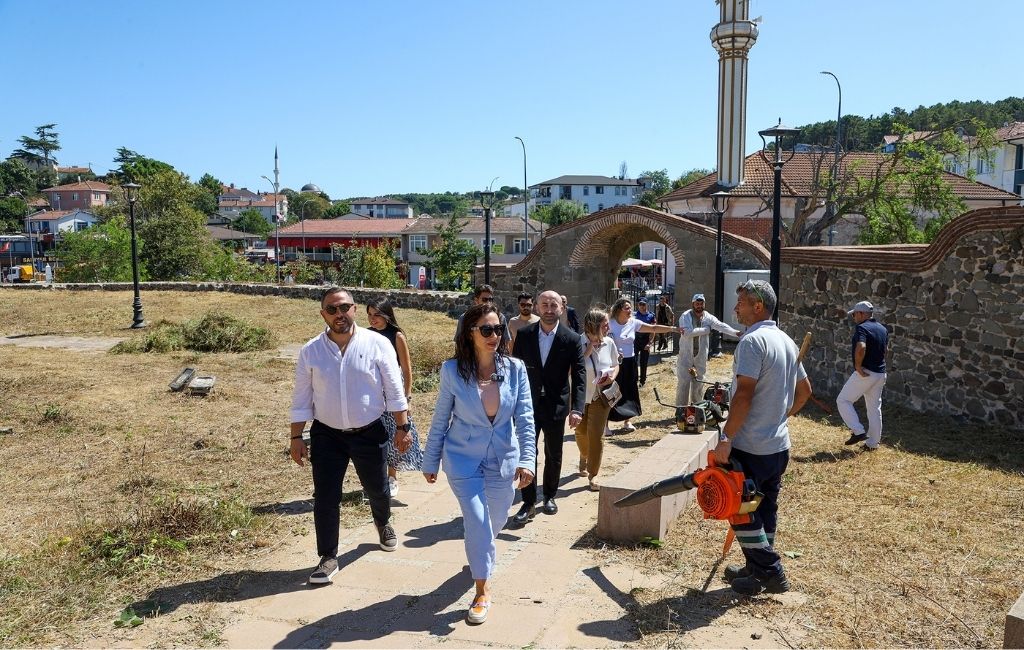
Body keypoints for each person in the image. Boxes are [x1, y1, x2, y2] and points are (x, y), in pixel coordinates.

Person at [422, 303, 536, 625]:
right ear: (470, 333)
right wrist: (430, 459)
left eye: (498, 329)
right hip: (463, 459)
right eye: (486, 329)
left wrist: (527, 459)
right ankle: (482, 590)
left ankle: (479, 551)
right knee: (477, 518)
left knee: (494, 521)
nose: (494, 335)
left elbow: (525, 419)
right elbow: (440, 418)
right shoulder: (452, 371)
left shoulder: (515, 369)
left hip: (502, 459)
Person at [289, 288, 411, 585]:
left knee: (378, 488)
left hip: (369, 431)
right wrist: (296, 437)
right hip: (326, 435)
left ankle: (383, 522)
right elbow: (301, 398)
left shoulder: (377, 344)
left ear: (354, 309)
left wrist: (402, 427)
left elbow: (394, 389)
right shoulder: (311, 351)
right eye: (332, 309)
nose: (339, 314)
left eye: (344, 307)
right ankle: (328, 556)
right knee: (326, 496)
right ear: (323, 314)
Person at [713, 280, 811, 596]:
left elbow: (743, 395)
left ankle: (771, 572)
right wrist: (781, 417)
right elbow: (805, 391)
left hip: (751, 446)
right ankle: (756, 571)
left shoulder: (753, 341)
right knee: (765, 509)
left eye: (740, 303)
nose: (735, 308)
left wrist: (726, 437)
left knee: (739, 510)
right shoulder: (786, 341)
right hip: (777, 446)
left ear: (757, 307)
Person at [510, 290, 586, 525]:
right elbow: (515, 371)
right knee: (527, 452)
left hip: (556, 405)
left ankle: (550, 495)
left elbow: (580, 375)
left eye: (554, 305)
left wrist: (577, 408)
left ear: (562, 308)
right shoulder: (524, 335)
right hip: (527, 405)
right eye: (545, 305)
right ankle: (528, 502)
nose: (549, 309)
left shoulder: (571, 339)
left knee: (554, 453)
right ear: (537, 307)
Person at [366, 297, 424, 497]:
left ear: (386, 315)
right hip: (373, 390)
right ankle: (377, 478)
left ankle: (392, 477)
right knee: (375, 434)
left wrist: (407, 398)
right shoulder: (367, 335)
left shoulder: (396, 335)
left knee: (394, 433)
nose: (372, 319)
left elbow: (406, 370)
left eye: (377, 314)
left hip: (393, 389)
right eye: (369, 315)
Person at [607, 297, 678, 433]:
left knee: (630, 391)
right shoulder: (610, 323)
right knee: (612, 391)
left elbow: (653, 328)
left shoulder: (633, 322)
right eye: (627, 308)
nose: (630, 310)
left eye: (630, 308)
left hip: (630, 362)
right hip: (614, 364)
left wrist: (673, 329)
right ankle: (605, 425)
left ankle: (627, 421)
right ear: (619, 309)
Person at [575, 308, 619, 491]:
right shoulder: (577, 342)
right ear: (593, 326)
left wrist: (612, 376)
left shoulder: (609, 342)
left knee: (596, 435)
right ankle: (584, 455)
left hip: (601, 396)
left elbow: (615, 364)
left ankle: (593, 474)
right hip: (579, 397)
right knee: (581, 432)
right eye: (605, 324)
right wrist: (586, 352)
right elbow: (568, 370)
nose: (608, 327)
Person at [837, 300, 889, 451]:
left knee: (843, 400)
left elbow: (861, 346)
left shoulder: (862, 328)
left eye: (854, 314)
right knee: (874, 409)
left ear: (861, 314)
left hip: (866, 373)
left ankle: (858, 431)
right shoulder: (882, 329)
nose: (853, 317)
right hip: (880, 373)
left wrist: (858, 367)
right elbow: (886, 350)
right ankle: (873, 444)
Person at [676, 293, 741, 406]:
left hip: (700, 356)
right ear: (693, 304)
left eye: (701, 303)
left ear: (704, 304)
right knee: (683, 383)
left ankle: (697, 408)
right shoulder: (685, 316)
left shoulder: (708, 317)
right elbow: (687, 333)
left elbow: (721, 326)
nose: (699, 306)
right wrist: (706, 330)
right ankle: (681, 410)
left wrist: (736, 333)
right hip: (685, 356)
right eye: (697, 303)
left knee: (699, 383)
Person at [633, 298, 656, 386]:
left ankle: (642, 380)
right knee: (634, 361)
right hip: (635, 340)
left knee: (644, 361)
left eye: (644, 304)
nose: (642, 306)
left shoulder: (651, 316)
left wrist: (650, 343)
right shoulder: (634, 315)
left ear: (647, 305)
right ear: (638, 305)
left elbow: (653, 330)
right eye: (640, 304)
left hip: (645, 340)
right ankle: (634, 379)